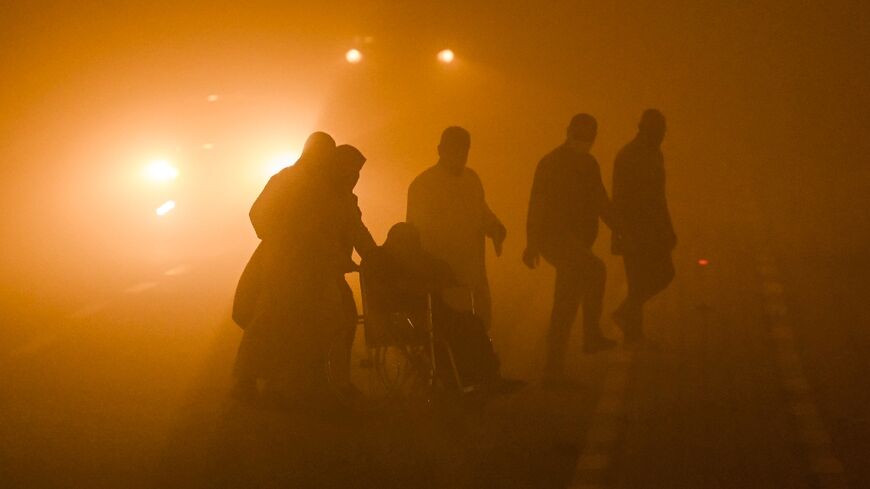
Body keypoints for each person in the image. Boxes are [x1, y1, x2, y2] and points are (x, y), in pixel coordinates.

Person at [232, 131, 344, 402]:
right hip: (283, 262)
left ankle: (276, 380)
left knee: (289, 322)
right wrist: (283, 236)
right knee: (269, 319)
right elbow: (258, 214)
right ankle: (245, 379)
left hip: (300, 262)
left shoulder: (312, 182)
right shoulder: (290, 179)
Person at [363, 222, 522, 393]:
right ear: (397, 241)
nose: (414, 247)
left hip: (432, 313)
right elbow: (386, 291)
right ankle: (462, 381)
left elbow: (439, 268)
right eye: (410, 242)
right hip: (405, 318)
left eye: (415, 242)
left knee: (471, 323)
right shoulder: (378, 261)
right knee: (455, 330)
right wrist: (420, 287)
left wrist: (445, 280)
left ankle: (484, 378)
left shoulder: (413, 257)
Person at [522, 113, 618, 386]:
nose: (583, 142)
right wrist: (532, 243)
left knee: (565, 303)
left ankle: (553, 369)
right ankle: (591, 336)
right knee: (595, 270)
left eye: (588, 138)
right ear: (569, 132)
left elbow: (600, 202)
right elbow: (537, 205)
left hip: (574, 242)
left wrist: (620, 228)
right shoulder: (552, 164)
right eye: (581, 136)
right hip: (555, 239)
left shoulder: (587, 164)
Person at [406, 126, 506, 329]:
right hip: (442, 279)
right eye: (454, 149)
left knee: (480, 329)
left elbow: (482, 212)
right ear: (440, 150)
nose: (459, 155)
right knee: (449, 333)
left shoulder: (472, 180)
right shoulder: (423, 185)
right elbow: (413, 234)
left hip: (474, 276)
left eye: (464, 150)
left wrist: (496, 228)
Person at [611, 109, 676, 344]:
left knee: (659, 275)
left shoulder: (654, 153)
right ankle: (632, 330)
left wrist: (667, 226)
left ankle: (629, 320)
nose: (662, 136)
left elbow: (660, 195)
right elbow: (620, 198)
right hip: (635, 229)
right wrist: (620, 233)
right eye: (659, 131)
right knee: (643, 278)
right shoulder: (630, 155)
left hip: (652, 228)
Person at [324, 144, 377, 396]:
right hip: (316, 273)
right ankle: (336, 384)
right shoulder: (326, 198)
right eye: (352, 172)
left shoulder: (344, 198)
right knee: (340, 321)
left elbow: (358, 231)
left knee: (343, 321)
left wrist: (376, 255)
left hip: (328, 272)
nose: (355, 178)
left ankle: (334, 382)